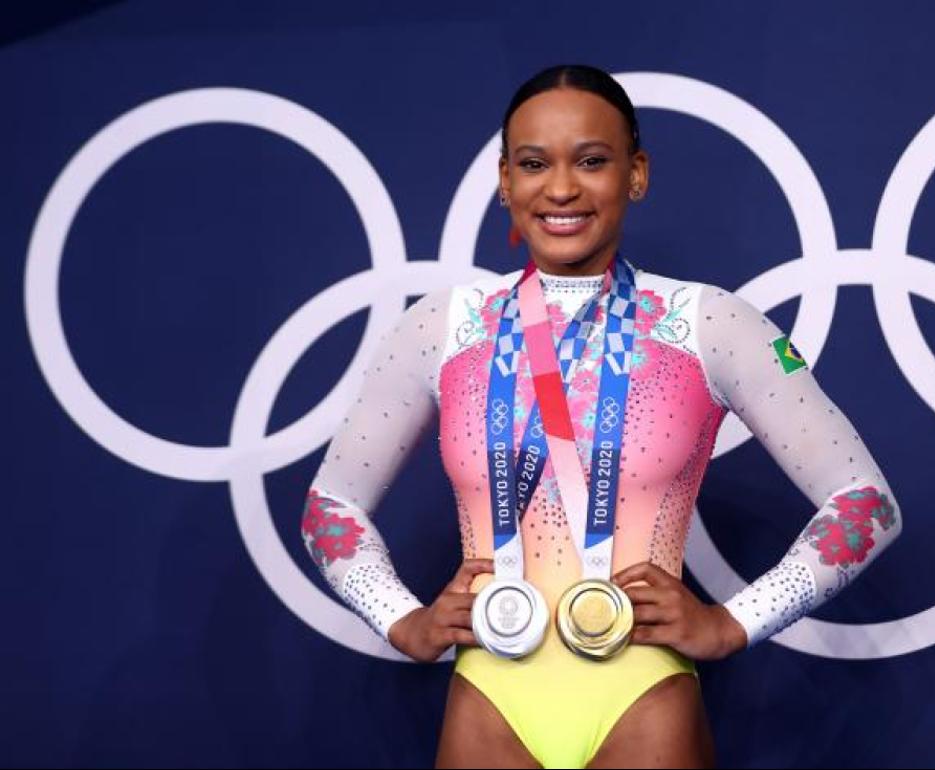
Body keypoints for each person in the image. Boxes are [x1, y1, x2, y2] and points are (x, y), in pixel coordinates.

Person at [301, 64, 902, 769]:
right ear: (504, 180)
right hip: (490, 698)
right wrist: (401, 619)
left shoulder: (708, 323)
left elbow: (866, 506)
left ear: (636, 174)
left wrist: (734, 622)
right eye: (533, 164)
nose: (560, 189)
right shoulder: (443, 326)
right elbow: (329, 507)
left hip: (642, 697)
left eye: (591, 161)